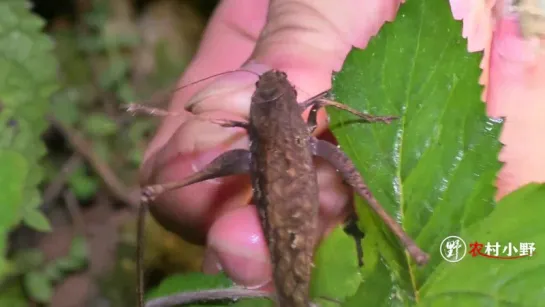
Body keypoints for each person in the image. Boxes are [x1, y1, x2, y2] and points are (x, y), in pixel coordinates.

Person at [140, 0, 540, 289]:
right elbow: (318, 98)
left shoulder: (295, 109)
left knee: (355, 189)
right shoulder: (293, 107)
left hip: (296, 163)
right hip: (281, 169)